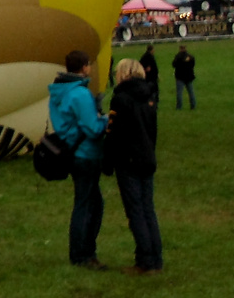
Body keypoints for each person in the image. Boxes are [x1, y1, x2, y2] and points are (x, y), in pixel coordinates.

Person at [49, 49, 109, 270]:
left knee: (87, 203)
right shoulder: (80, 94)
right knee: (88, 205)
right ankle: (82, 254)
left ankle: (82, 252)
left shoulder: (59, 91)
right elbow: (92, 129)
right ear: (84, 66)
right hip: (85, 154)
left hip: (71, 152)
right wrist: (105, 120)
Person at [105, 58, 162, 275]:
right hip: (147, 157)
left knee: (135, 211)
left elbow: (114, 133)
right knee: (148, 209)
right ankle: (156, 258)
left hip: (128, 159)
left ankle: (145, 260)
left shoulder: (121, 99)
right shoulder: (149, 97)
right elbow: (152, 131)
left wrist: (107, 161)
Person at [171, 45, 196, 110]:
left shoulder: (178, 57)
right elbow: (193, 64)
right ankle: (193, 105)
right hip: (189, 76)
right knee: (191, 92)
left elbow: (173, 64)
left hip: (180, 77)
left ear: (180, 49)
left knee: (179, 93)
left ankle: (179, 107)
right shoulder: (190, 57)